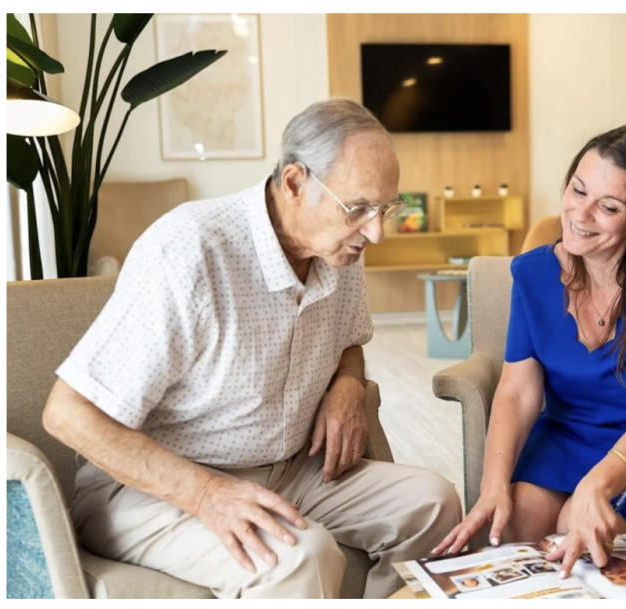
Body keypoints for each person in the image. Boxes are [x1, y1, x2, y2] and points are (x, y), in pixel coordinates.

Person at [42, 98, 462, 599]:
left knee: (434, 505)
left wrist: (347, 383)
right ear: (294, 182)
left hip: (289, 470)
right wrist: (204, 493)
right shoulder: (191, 251)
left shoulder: (340, 248)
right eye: (359, 209)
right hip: (152, 491)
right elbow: (68, 413)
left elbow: (350, 338)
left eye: (384, 208)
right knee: (300, 558)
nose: (376, 232)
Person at [432, 125, 626, 579]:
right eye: (578, 190)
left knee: (575, 533)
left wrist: (595, 486)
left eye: (608, 206)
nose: (581, 214)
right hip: (573, 433)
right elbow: (518, 393)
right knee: (514, 522)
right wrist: (492, 487)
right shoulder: (533, 274)